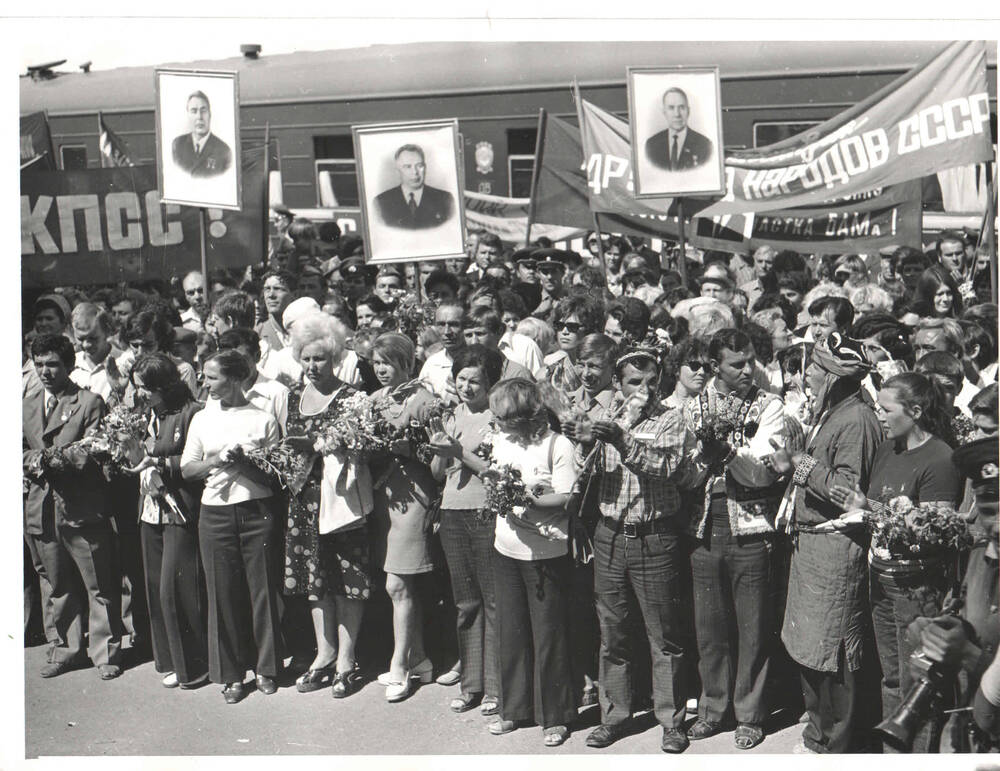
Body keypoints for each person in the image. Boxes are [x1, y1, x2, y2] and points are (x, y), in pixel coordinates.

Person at [571, 347, 703, 754]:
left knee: (663, 636)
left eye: (651, 381)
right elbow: (586, 470)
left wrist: (623, 438)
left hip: (654, 536)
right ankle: (615, 716)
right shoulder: (606, 419)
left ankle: (671, 722)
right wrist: (584, 443)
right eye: (634, 382)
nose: (644, 389)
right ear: (618, 384)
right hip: (610, 534)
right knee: (613, 633)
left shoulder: (671, 419)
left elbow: (664, 467)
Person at [828, 372, 962, 753]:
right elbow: (881, 508)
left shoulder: (939, 458)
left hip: (916, 591)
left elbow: (935, 531)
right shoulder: (889, 448)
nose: (880, 417)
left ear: (915, 411)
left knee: (916, 685)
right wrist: (861, 507)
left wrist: (879, 515)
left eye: (887, 410)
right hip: (881, 581)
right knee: (891, 680)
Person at [764, 333, 884, 753]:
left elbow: (848, 493)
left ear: (834, 377)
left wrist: (801, 462)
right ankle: (819, 730)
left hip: (836, 548)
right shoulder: (834, 411)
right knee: (811, 647)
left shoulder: (856, 421)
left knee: (835, 653)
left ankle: (838, 740)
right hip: (813, 547)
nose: (807, 375)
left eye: (815, 368)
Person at [685, 329, 789, 750]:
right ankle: (713, 707)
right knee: (710, 626)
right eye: (737, 364)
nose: (748, 370)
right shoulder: (691, 408)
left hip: (751, 525)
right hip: (704, 525)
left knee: (752, 625)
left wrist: (726, 454)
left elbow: (766, 471)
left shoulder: (770, 406)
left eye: (750, 362)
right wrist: (700, 460)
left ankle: (749, 713)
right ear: (714, 367)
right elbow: (685, 473)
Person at [180, 350, 283, 704]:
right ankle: (232, 675)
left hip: (256, 511)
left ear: (236, 379)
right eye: (204, 376)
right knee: (222, 593)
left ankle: (267, 668)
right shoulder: (202, 419)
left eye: (211, 377)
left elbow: (275, 475)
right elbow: (187, 469)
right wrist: (216, 460)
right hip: (215, 515)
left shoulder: (264, 419)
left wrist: (244, 462)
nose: (204, 383)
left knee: (263, 591)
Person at [281, 312, 372, 700]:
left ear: (334, 357)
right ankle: (325, 653)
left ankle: (347, 661)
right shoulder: (291, 396)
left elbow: (363, 449)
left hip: (341, 499)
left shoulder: (354, 398)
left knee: (346, 577)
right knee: (314, 579)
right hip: (304, 499)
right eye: (307, 358)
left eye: (320, 358)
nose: (313, 366)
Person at [23, 333, 124, 680]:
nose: (45, 371)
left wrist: (51, 459)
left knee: (99, 582)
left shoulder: (88, 402)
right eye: (38, 364)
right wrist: (35, 460)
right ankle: (66, 649)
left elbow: (94, 450)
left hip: (81, 507)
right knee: (57, 583)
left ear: (68, 365)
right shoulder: (25, 404)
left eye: (52, 364)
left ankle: (105, 652)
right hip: (41, 507)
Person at [485, 378, 578, 747]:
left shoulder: (558, 444)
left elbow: (567, 498)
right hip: (505, 547)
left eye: (503, 416)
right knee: (511, 629)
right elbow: (492, 476)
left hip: (545, 553)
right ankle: (514, 709)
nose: (496, 422)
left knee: (548, 634)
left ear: (525, 415)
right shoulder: (500, 440)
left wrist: (531, 499)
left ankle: (554, 716)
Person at [427, 345, 505, 716]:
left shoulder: (498, 417)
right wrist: (442, 451)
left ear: (491, 382)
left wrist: (457, 451)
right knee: (466, 602)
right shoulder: (451, 415)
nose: (467, 386)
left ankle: (495, 687)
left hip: (485, 511)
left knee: (492, 601)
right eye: (461, 379)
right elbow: (436, 474)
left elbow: (495, 473)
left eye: (476, 380)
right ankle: (470, 684)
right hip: (452, 512)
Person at [126, 353, 208, 690]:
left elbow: (195, 460)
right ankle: (170, 659)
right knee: (155, 587)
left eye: (144, 388)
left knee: (175, 588)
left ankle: (195, 664)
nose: (140, 394)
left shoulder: (192, 413)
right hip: (151, 508)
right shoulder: (148, 415)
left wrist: (159, 464)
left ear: (163, 385)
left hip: (180, 508)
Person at [368, 332, 441, 702]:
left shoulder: (425, 401)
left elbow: (441, 458)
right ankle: (421, 660)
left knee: (397, 585)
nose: (381, 369)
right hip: (386, 499)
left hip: (415, 497)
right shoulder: (374, 400)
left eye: (389, 362)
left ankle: (399, 666)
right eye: (377, 361)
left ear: (408, 363)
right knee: (400, 586)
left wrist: (409, 450)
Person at [374, 144, 455, 229]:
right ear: (398, 171)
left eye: (419, 166)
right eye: (408, 167)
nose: (415, 172)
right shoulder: (381, 202)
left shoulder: (446, 199)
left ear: (425, 167)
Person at [644, 87, 714, 171]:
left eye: (681, 107)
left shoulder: (705, 145)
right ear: (664, 112)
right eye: (671, 108)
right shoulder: (652, 144)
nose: (677, 114)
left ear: (688, 111)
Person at [69, 303, 124, 404]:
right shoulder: (70, 363)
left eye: (93, 338)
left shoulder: (123, 362)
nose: (86, 345)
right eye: (80, 339)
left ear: (107, 332)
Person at [171, 91, 232, 178]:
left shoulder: (224, 151)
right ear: (188, 115)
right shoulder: (177, 145)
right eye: (194, 111)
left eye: (203, 111)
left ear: (210, 115)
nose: (199, 117)